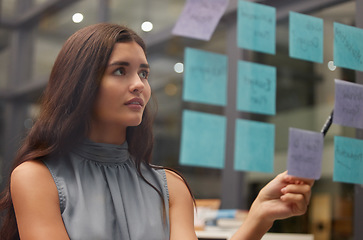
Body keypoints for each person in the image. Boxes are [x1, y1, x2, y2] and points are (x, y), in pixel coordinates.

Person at [0, 23, 313, 240]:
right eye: (120, 70)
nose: (139, 84)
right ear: (80, 83)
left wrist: (260, 215)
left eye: (144, 72)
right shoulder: (35, 178)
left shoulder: (170, 186)